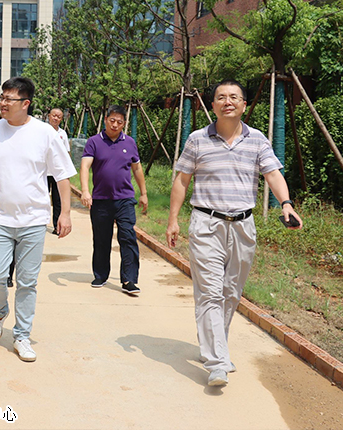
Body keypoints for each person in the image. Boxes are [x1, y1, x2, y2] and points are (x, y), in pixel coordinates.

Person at [166, 79, 303, 387]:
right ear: (212, 105)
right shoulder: (197, 139)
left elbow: (272, 174)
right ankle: (217, 362)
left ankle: (216, 346)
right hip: (206, 223)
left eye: (234, 97)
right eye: (221, 97)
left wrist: (286, 203)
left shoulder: (257, 140)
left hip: (243, 225)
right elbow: (182, 181)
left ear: (243, 105)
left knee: (230, 293)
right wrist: (173, 220)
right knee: (210, 292)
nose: (227, 101)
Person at [0, 77, 76, 362]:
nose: (2, 103)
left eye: (9, 99)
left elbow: (62, 176)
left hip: (33, 221)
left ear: (26, 103)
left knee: (27, 282)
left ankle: (22, 335)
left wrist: (65, 213)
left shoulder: (45, 133)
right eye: (1, 97)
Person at [79, 105, 148, 295]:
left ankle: (129, 279)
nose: (115, 125)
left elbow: (137, 168)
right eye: (112, 120)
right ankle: (100, 275)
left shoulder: (130, 142)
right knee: (102, 239)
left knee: (128, 237)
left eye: (119, 122)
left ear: (124, 123)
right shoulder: (94, 142)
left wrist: (143, 193)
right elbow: (85, 166)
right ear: (105, 120)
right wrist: (85, 191)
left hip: (125, 199)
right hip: (101, 199)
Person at [47, 108, 71, 235]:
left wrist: (67, 171)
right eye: (54, 116)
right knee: (42, 199)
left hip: (58, 174)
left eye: (59, 117)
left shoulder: (63, 134)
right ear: (49, 116)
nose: (56, 118)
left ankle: (57, 226)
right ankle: (39, 224)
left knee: (58, 200)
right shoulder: (42, 131)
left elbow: (67, 153)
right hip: (44, 172)